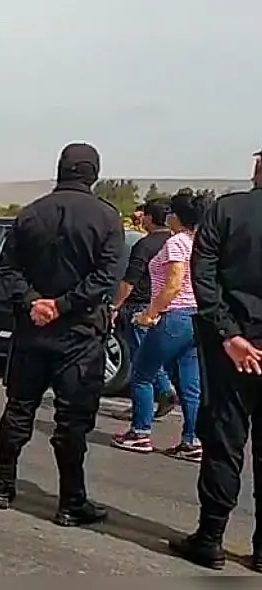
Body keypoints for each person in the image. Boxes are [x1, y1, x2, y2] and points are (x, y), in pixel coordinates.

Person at [0, 143, 124, 526]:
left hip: (33, 329)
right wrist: (62, 305)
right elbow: (106, 279)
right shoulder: (106, 218)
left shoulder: (30, 213)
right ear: (93, 174)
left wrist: (36, 302)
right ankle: (70, 501)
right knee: (72, 421)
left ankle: (2, 486)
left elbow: (8, 269)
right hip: (79, 334)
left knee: (18, 409)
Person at [169, 149, 262, 572]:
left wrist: (229, 334)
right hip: (234, 340)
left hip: (230, 346)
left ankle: (210, 538)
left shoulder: (226, 211)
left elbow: (203, 275)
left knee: (224, 442)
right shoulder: (226, 210)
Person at [112, 191, 209, 460]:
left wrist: (151, 312)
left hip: (173, 314)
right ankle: (192, 440)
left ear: (175, 216)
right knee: (189, 382)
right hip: (195, 316)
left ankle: (140, 433)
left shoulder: (176, 242)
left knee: (142, 373)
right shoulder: (199, 242)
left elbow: (174, 282)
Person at [109, 200, 177, 422]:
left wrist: (115, 305)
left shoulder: (145, 245)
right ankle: (160, 395)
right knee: (154, 356)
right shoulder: (175, 241)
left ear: (149, 217)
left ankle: (157, 397)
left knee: (141, 362)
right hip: (166, 306)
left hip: (140, 307)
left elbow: (130, 279)